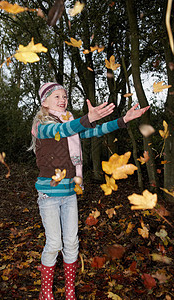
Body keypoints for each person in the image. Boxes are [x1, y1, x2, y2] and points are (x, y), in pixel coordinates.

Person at [30, 82, 149, 300]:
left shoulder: (71, 126)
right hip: (49, 195)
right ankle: (45, 292)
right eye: (56, 96)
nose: (63, 99)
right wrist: (86, 118)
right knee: (55, 243)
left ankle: (70, 291)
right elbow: (61, 130)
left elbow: (94, 131)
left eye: (64, 96)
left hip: (70, 193)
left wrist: (124, 120)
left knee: (72, 243)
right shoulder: (42, 126)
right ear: (44, 102)